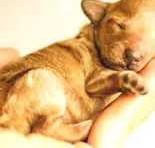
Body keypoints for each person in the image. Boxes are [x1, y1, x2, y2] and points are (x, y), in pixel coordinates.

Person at [0, 48, 154, 148]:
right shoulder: (84, 51)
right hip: (16, 121)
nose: (134, 53)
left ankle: (51, 128)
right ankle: (49, 127)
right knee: (41, 78)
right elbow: (94, 84)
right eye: (120, 26)